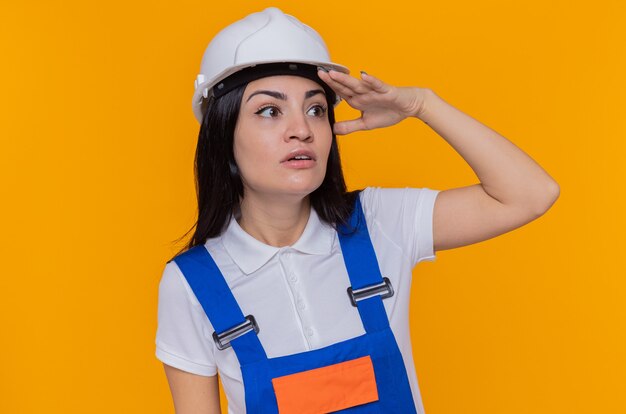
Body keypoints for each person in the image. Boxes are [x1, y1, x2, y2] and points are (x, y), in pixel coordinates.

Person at [155, 7, 559, 414]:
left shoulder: (381, 222)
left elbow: (531, 194)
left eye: (315, 109)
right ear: (222, 136)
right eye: (270, 111)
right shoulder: (191, 284)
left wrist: (422, 105)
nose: (302, 129)